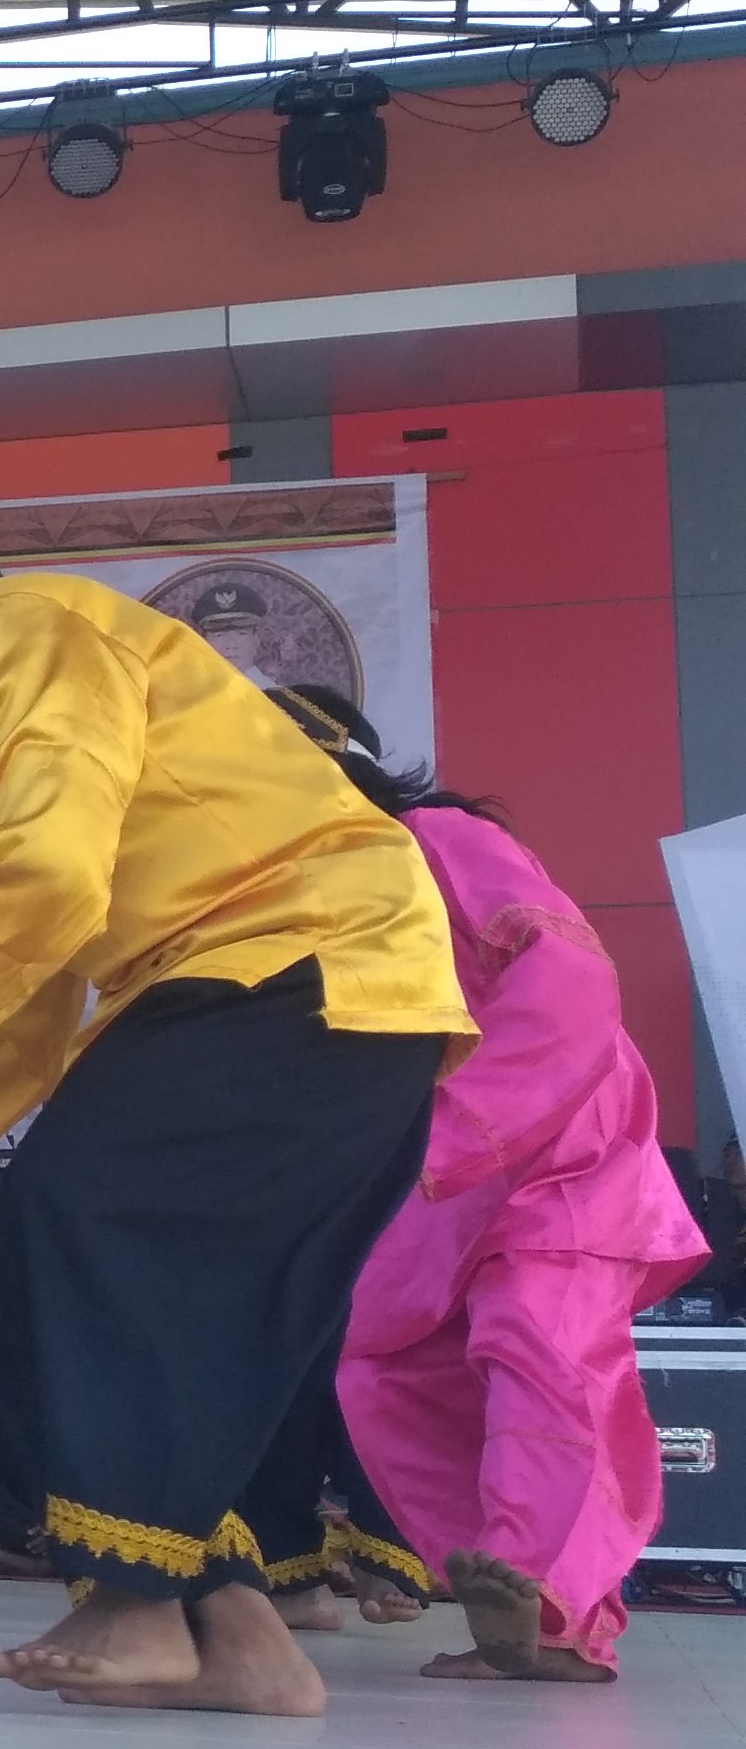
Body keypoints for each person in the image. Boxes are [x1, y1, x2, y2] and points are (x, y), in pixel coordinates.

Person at [0, 398, 469, 1715]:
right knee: (150, 1274)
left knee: (79, 1229)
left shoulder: (13, 635)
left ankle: (141, 1606)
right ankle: (238, 1636)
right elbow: (38, 964)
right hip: (292, 993)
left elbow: (51, 890)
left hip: (291, 969)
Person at [273, 686, 709, 1681]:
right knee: (380, 1370)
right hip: (432, 1179)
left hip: (555, 1147)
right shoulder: (297, 895)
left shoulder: (434, 838)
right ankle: (515, 1597)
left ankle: (544, 1599)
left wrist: (466, 1118)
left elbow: (564, 973)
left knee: (538, 1345)